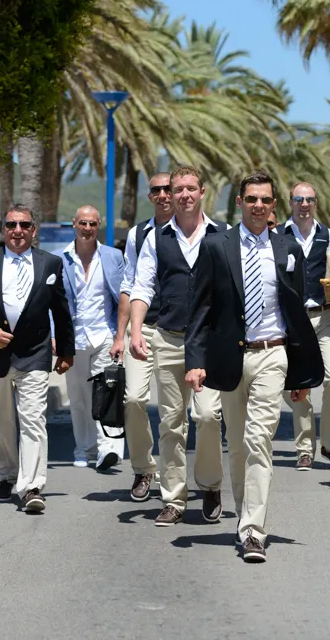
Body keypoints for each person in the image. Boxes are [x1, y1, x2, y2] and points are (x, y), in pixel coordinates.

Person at [185, 170, 323, 562]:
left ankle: (252, 530)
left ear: (274, 205)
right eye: (251, 199)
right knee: (238, 444)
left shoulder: (287, 249)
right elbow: (201, 309)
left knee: (259, 440)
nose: (258, 206)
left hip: (272, 354)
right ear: (240, 203)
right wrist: (195, 362)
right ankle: (247, 514)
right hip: (230, 358)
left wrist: (299, 374)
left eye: (265, 199)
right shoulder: (216, 246)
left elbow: (295, 314)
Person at [0, 203, 74, 513]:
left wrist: (66, 350)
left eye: (24, 225)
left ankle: (32, 486)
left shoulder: (51, 264)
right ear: (4, 230)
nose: (17, 231)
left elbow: (60, 311)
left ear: (33, 230)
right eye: (11, 225)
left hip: (33, 354)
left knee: (34, 420)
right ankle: (6, 474)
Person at [129, 165, 226, 527]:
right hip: (167, 339)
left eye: (190, 188)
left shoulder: (222, 235)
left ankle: (211, 484)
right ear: (170, 193)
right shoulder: (156, 238)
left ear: (202, 192)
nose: (183, 195)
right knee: (171, 423)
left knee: (207, 416)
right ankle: (173, 498)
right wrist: (136, 331)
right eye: (177, 189)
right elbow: (142, 287)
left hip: (210, 344)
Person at [282, 182, 330, 472]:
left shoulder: (328, 235)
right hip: (295, 320)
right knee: (300, 386)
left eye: (309, 199)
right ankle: (304, 450)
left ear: (316, 203)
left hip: (325, 316)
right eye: (299, 199)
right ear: (291, 203)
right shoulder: (279, 236)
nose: (304, 204)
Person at [118, 173, 174, 500]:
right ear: (150, 196)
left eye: (169, 188)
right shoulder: (138, 234)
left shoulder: (196, 232)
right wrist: (122, 333)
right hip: (144, 329)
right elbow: (130, 284)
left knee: (174, 410)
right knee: (134, 399)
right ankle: (143, 468)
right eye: (158, 190)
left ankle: (174, 475)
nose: (164, 195)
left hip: (180, 331)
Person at [59, 205, 127, 470]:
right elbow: (55, 302)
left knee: (107, 393)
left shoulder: (112, 257)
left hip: (104, 335)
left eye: (93, 224)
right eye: (83, 223)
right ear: (74, 224)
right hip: (73, 339)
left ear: (99, 226)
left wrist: (119, 335)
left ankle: (108, 448)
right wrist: (56, 335)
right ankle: (82, 448)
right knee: (78, 398)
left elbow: (123, 296)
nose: (88, 229)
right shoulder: (60, 258)